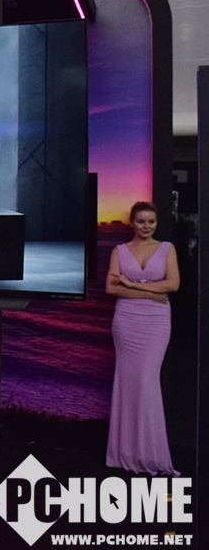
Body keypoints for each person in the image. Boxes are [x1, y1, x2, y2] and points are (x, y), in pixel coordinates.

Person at [104, 201, 180, 476]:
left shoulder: (167, 248)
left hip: (156, 323)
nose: (146, 226)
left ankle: (151, 454)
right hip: (126, 322)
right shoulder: (119, 250)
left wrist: (132, 284)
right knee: (127, 384)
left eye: (151, 221)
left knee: (147, 381)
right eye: (141, 221)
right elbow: (111, 289)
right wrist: (149, 293)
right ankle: (125, 453)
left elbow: (173, 285)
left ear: (156, 223)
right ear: (132, 223)